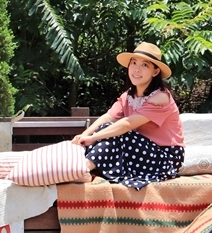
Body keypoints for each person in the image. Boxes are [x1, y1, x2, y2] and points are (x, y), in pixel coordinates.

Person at [71, 42, 185, 189]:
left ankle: (82, 169)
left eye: (145, 65)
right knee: (107, 128)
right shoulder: (128, 95)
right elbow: (108, 117)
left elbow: (127, 124)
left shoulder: (161, 97)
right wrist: (83, 136)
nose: (137, 69)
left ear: (155, 72)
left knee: (120, 133)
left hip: (164, 157)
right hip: (139, 151)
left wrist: (92, 138)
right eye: (134, 63)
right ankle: (79, 166)